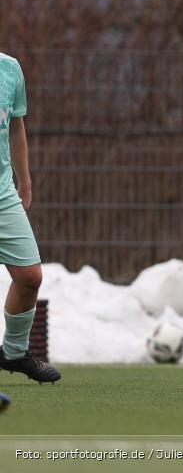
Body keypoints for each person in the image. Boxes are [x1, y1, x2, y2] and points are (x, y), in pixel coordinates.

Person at [0, 53, 61, 384]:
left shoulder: (10, 69)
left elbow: (16, 126)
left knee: (29, 276)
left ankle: (13, 352)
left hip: (3, 194)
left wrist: (24, 180)